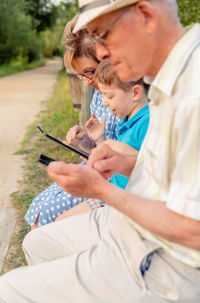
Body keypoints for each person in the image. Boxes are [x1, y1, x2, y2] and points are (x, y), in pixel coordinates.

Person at [1, 0, 200, 302]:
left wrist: (102, 191)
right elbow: (176, 173)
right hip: (130, 226)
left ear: (146, 16)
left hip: (162, 265)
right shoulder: (165, 75)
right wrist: (128, 162)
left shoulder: (193, 90)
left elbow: (194, 230)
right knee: (37, 242)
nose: (102, 51)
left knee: (8, 290)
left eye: (104, 34)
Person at [24, 16, 120, 229]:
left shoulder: (123, 98)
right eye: (81, 75)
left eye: (90, 72)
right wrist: (85, 141)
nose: (87, 81)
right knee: (39, 205)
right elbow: (96, 148)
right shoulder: (98, 97)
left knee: (47, 216)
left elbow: (121, 159)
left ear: (106, 58)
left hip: (109, 180)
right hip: (93, 168)